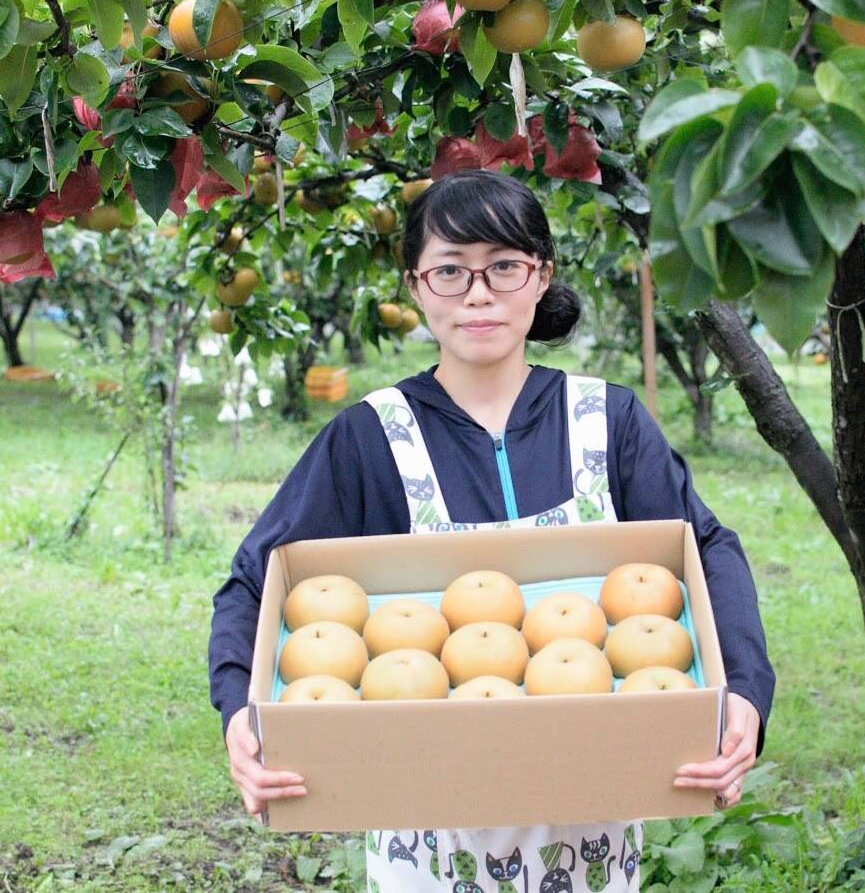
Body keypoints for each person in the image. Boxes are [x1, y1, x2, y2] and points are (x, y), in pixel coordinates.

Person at [209, 169, 775, 893]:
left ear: (539, 277)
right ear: (413, 287)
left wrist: (744, 697)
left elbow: (705, 551)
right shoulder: (371, 438)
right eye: (449, 271)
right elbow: (256, 580)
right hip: (430, 845)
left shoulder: (606, 420)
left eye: (503, 266)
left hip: (590, 833)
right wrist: (239, 710)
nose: (478, 293)